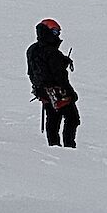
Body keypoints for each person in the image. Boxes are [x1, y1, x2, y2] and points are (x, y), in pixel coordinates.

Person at [27, 18, 80, 148]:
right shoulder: (52, 52)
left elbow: (31, 71)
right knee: (72, 119)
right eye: (55, 32)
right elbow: (60, 75)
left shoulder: (32, 50)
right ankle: (69, 146)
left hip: (43, 92)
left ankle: (54, 146)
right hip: (58, 92)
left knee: (52, 120)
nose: (57, 35)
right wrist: (71, 93)